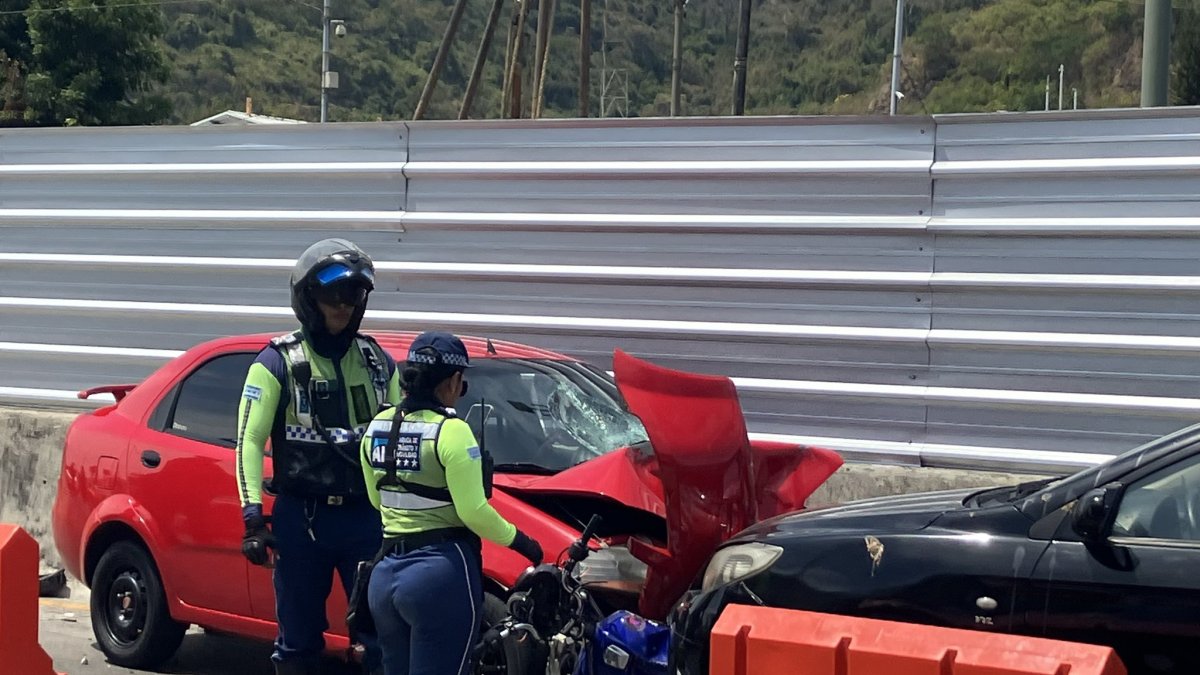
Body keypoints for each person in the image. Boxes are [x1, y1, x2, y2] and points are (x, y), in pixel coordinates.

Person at [236, 238, 401, 675]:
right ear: (308, 297)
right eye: (333, 295)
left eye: (354, 296)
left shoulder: (378, 362)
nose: (343, 306)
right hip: (302, 521)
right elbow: (249, 442)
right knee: (298, 643)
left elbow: (406, 438)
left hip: (367, 519)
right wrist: (252, 519)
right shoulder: (276, 363)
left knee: (382, 641)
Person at [359, 331, 544, 675]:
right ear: (455, 380)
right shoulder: (452, 430)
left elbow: (376, 499)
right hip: (439, 576)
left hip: (384, 578)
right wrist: (524, 543)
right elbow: (473, 512)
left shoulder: (377, 427)